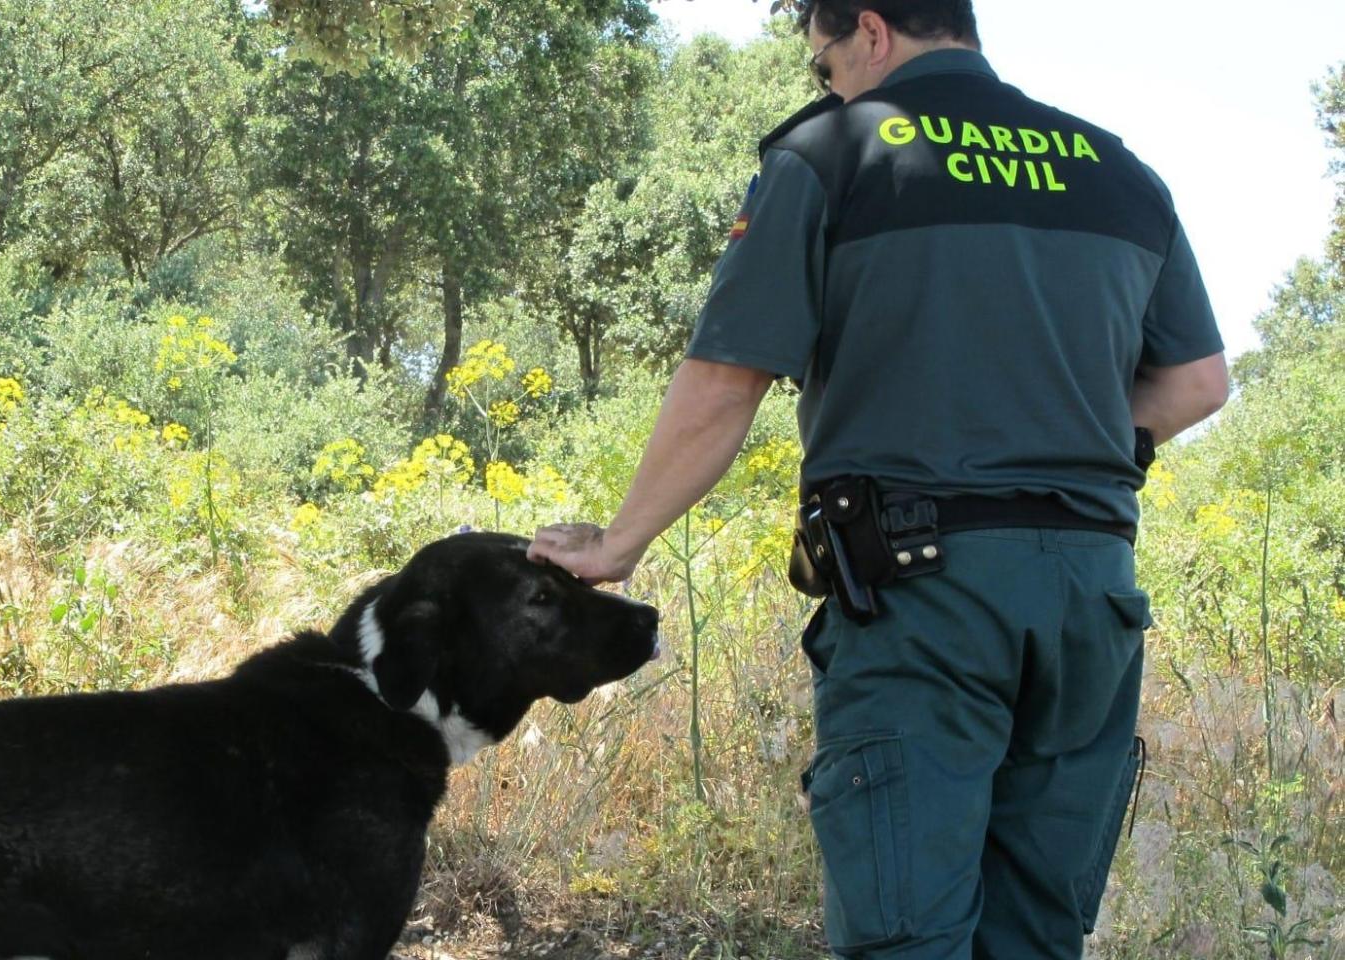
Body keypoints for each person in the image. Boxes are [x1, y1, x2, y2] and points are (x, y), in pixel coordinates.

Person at [525, 1, 1229, 957]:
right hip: (1092, 597)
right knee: (1037, 935)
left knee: (905, 935)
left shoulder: (833, 154)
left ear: (871, 30)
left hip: (924, 591)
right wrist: (1075, 438)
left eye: (824, 65)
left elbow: (727, 378)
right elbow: (1197, 381)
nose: (830, 85)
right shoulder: (1116, 169)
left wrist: (618, 542)